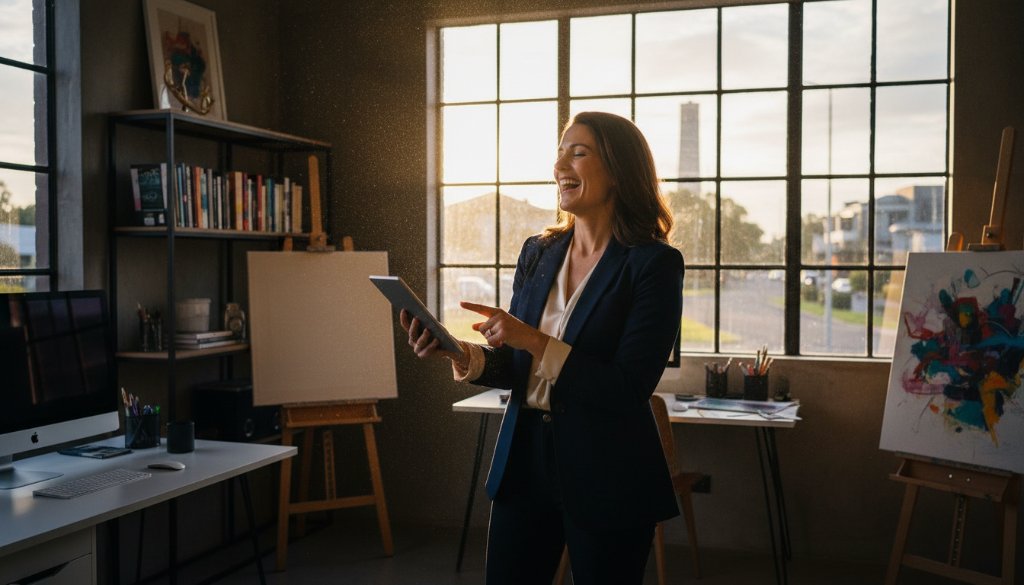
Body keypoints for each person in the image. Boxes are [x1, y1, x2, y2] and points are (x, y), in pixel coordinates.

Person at [402, 111, 684, 585]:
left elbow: (627, 387)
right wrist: (459, 354)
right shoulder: (539, 252)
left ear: (618, 169)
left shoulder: (653, 264)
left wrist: (530, 338)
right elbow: (519, 367)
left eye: (578, 152)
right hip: (525, 462)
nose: (560, 166)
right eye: (559, 152)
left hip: (608, 472)